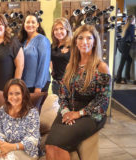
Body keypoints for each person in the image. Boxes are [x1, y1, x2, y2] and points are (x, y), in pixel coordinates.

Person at [45, 25, 111, 160]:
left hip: (91, 114)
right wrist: (65, 111)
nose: (84, 42)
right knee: (49, 144)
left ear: (94, 42)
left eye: (88, 38)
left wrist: (78, 114)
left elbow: (102, 102)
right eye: (80, 38)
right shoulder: (71, 65)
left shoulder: (101, 67)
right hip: (69, 110)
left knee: (58, 143)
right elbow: (63, 93)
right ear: (75, 41)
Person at [0, 79, 40, 160]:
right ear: (7, 95)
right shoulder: (2, 111)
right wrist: (1, 147)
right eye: (11, 94)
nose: (14, 97)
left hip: (27, 153)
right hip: (7, 149)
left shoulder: (33, 113)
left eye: (17, 93)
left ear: (23, 94)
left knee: (9, 157)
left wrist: (11, 147)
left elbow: (33, 140)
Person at [19, 14, 51, 93]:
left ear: (37, 25)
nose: (30, 24)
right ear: (24, 25)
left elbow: (44, 64)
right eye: (28, 22)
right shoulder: (23, 41)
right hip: (26, 84)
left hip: (38, 85)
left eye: (33, 22)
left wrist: (39, 86)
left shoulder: (42, 40)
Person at [50, 18, 72, 95]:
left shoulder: (73, 45)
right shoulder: (53, 46)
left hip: (69, 84)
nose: (58, 32)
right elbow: (51, 62)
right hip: (56, 84)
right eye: (56, 29)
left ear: (67, 30)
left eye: (61, 28)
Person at [116, 15, 135, 84]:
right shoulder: (132, 26)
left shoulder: (125, 25)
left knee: (129, 60)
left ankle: (127, 78)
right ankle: (118, 79)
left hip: (121, 45)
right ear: (133, 20)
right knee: (122, 62)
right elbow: (132, 37)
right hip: (126, 46)